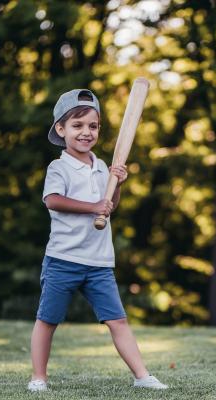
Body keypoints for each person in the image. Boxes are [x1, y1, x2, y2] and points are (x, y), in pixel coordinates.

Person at [27, 89, 168, 392]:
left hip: (98, 262)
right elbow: (52, 200)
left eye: (93, 126)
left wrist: (116, 185)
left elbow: (109, 206)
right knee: (48, 320)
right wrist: (93, 208)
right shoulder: (59, 167)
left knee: (118, 320)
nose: (86, 132)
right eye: (77, 126)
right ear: (61, 130)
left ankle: (142, 376)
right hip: (64, 259)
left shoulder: (102, 166)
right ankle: (39, 377)